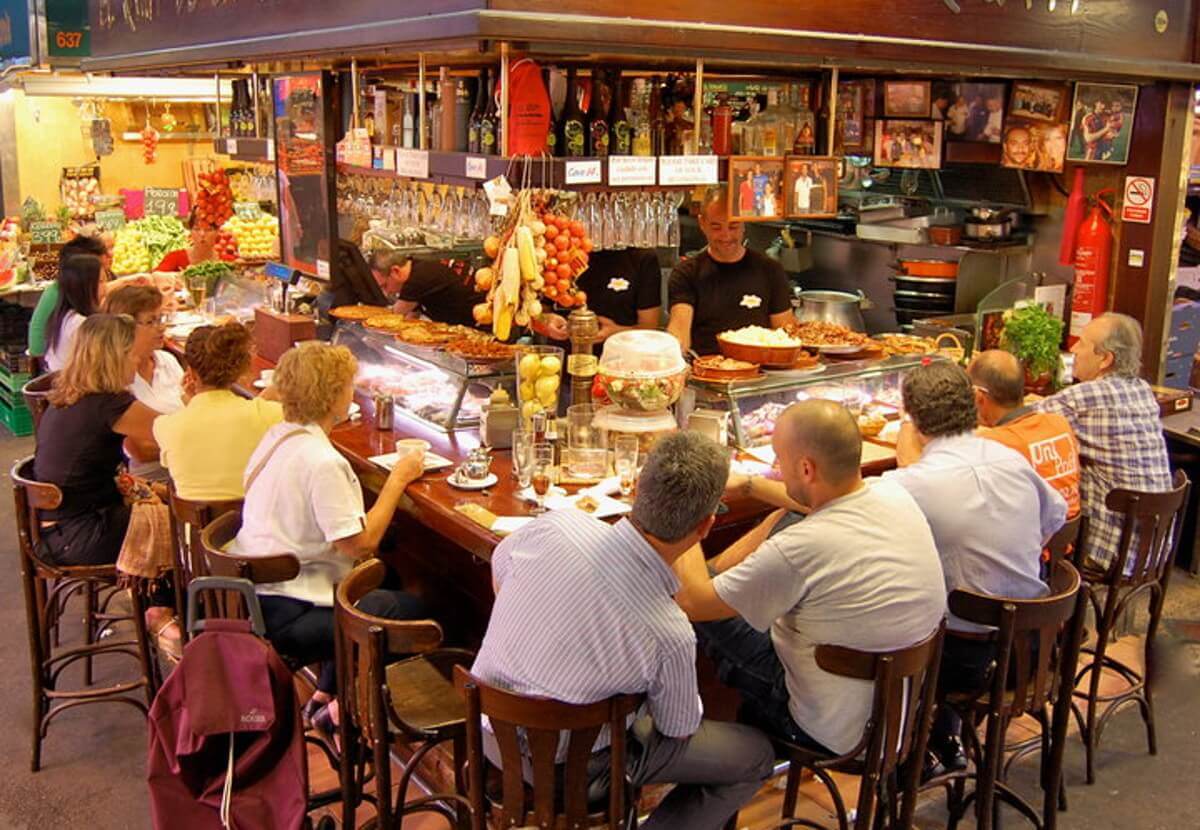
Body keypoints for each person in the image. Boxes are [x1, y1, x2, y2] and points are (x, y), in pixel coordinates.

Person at [471, 431, 775, 830]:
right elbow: (678, 729)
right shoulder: (669, 631)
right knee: (756, 756)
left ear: (636, 493)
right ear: (705, 527)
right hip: (577, 770)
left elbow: (500, 570)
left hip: (492, 735)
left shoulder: (558, 524)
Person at [673, 400, 946, 758]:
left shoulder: (804, 546)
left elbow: (693, 603)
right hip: (898, 718)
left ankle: (701, 748)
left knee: (695, 602)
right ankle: (729, 580)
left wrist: (681, 512)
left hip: (827, 728)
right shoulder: (892, 491)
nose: (776, 468)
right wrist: (750, 486)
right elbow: (808, 505)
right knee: (785, 522)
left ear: (805, 468)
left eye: (778, 459)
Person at [884, 361, 1066, 774]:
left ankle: (901, 757)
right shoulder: (1010, 459)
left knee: (888, 622)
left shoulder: (910, 483)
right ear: (974, 406)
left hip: (968, 666)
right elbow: (1054, 519)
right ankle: (941, 740)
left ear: (912, 421)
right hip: (1035, 649)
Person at [230, 341, 431, 716]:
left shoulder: (276, 437)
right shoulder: (321, 461)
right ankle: (353, 713)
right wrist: (397, 479)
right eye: (347, 386)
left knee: (385, 578)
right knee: (417, 609)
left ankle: (329, 695)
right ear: (332, 395)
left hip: (258, 596)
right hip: (290, 611)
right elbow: (361, 545)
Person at [1036, 313, 1172, 571]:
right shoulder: (1143, 390)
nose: (1073, 349)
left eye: (1083, 343)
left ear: (1105, 359)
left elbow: (1019, 422)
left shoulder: (1087, 396)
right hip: (1153, 551)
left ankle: (1046, 603)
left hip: (1108, 551)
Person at [32, 314, 161, 566]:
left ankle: (157, 600)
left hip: (54, 528)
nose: (137, 361)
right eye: (133, 353)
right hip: (82, 534)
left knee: (162, 508)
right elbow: (175, 433)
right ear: (115, 357)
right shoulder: (110, 404)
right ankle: (163, 603)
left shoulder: (70, 395)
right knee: (177, 523)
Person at [154, 322, 283, 501]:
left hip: (196, 528)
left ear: (190, 373)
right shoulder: (270, 415)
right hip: (256, 525)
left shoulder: (165, 426)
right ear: (241, 369)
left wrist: (193, 403)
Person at [666, 187, 794, 356]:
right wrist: (673, 353)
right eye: (716, 227)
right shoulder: (686, 273)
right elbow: (679, 328)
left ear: (744, 223)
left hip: (760, 372)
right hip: (706, 369)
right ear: (702, 223)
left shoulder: (770, 270)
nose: (725, 236)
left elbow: (785, 334)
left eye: (733, 226)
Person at [968, 350, 1081, 519]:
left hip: (1030, 542)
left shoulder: (993, 444)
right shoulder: (1059, 423)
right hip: (1064, 539)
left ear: (979, 396)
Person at [102, 285, 185, 482]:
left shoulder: (167, 360)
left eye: (161, 318)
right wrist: (197, 442)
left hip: (186, 470)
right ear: (124, 328)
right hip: (152, 484)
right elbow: (141, 451)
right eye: (151, 321)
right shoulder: (114, 379)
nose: (161, 327)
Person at [28, 235, 112, 359]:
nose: (105, 287)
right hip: (49, 366)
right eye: (100, 280)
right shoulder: (76, 322)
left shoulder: (68, 306)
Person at [369, 250, 485, 327]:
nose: (386, 292)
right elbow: (411, 317)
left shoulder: (416, 281)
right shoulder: (417, 266)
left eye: (385, 286)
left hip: (481, 326)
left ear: (396, 271)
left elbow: (390, 320)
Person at [571, 247, 662, 341]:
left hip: (622, 350)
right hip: (563, 351)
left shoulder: (643, 257)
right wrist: (554, 322)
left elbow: (649, 329)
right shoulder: (567, 250)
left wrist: (616, 332)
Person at [44, 254, 104, 373]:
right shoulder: (79, 323)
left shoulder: (64, 316)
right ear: (85, 286)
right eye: (101, 281)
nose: (106, 286)